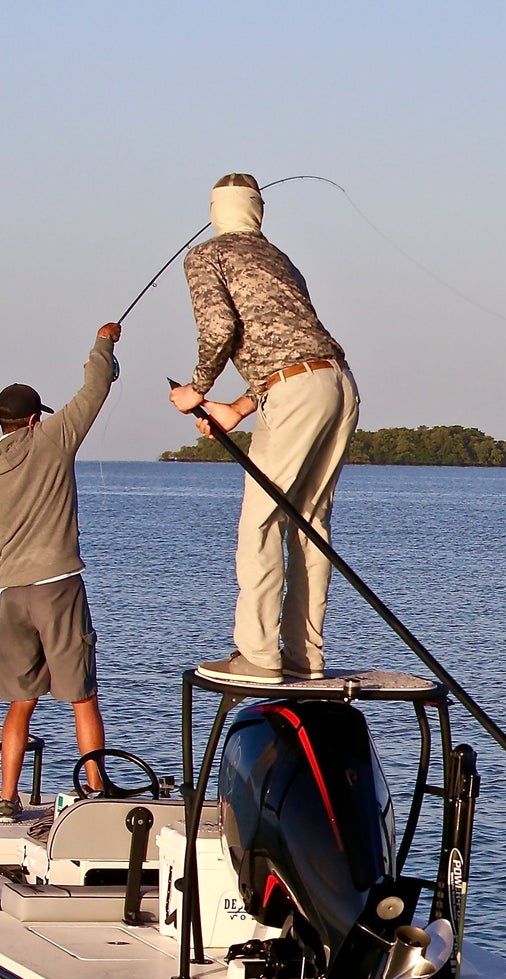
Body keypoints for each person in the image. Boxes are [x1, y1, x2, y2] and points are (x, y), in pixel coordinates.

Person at [169, 172, 361, 685]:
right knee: (310, 525)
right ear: (258, 211)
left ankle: (258, 656)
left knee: (260, 521)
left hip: (295, 391)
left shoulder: (205, 256)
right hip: (338, 383)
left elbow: (220, 329)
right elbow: (293, 347)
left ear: (215, 210)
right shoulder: (279, 258)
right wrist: (235, 408)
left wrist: (197, 387)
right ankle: (304, 657)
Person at [0, 324, 121, 820]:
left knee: (21, 701)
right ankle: (96, 787)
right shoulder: (51, 438)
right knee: (82, 693)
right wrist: (103, 343)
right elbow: (95, 388)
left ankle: (7, 799)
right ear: (30, 419)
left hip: (13, 596)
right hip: (58, 588)